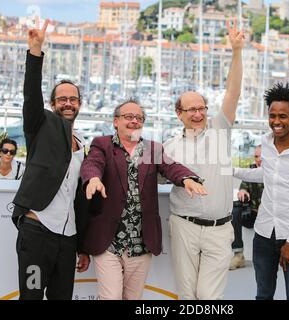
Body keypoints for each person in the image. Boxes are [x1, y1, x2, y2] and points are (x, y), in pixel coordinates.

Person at [80, 99, 207, 300]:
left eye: (139, 118)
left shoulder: (153, 149)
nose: (134, 121)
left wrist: (187, 178)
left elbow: (171, 167)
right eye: (128, 117)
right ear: (116, 121)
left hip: (141, 242)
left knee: (133, 298)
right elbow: (92, 163)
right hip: (108, 241)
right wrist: (93, 178)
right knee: (110, 297)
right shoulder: (102, 144)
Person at [163, 20, 244, 300]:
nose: (198, 114)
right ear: (179, 114)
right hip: (183, 225)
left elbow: (232, 92)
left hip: (220, 229)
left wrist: (236, 52)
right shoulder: (169, 147)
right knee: (187, 295)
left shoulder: (220, 131)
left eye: (202, 108)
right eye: (191, 109)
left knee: (208, 297)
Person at [11, 20, 90, 300]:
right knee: (30, 297)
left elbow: (79, 198)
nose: (68, 103)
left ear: (80, 104)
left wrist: (82, 245)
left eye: (74, 99)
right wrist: (35, 50)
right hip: (36, 233)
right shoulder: (40, 125)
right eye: (62, 99)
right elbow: (31, 95)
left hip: (67, 239)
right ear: (53, 104)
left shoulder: (83, 145)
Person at [233, 83, 289, 300]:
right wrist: (231, 171)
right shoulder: (266, 142)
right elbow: (267, 174)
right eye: (272, 115)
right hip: (264, 233)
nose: (276, 122)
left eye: (283, 116)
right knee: (263, 295)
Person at [230, 145, 264, 270]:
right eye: (256, 156)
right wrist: (243, 191)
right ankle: (238, 255)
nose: (259, 159)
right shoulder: (251, 169)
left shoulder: (277, 171)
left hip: (272, 216)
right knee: (235, 211)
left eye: (262, 156)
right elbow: (244, 186)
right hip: (253, 214)